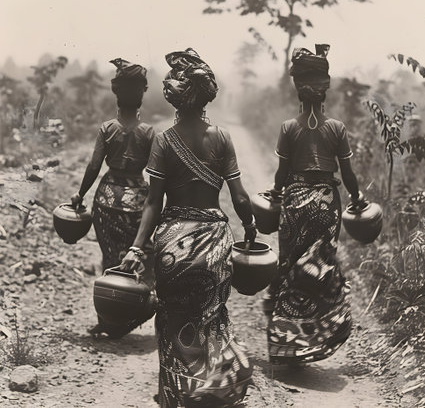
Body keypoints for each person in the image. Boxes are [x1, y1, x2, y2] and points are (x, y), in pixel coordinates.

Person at [121, 48, 255, 407]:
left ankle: (175, 394)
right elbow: (240, 197)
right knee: (211, 316)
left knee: (172, 317)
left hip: (172, 244)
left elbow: (153, 203)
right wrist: (251, 228)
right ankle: (213, 387)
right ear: (206, 94)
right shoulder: (223, 138)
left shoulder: (164, 141)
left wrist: (137, 248)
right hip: (214, 241)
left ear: (176, 97)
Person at [265, 44, 364, 365]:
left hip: (294, 202)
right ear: (325, 91)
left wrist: (276, 193)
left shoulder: (288, 128)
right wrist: (359, 199)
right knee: (319, 266)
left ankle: (287, 343)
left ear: (299, 91)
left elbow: (281, 173)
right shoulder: (336, 128)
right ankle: (318, 335)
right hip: (326, 205)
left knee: (290, 265)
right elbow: (347, 173)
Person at [70, 58, 156, 339]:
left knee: (108, 258)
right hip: (137, 201)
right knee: (139, 257)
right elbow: (156, 177)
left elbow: (94, 167)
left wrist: (80, 194)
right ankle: (137, 308)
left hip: (106, 199)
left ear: (115, 93)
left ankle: (108, 320)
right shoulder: (149, 133)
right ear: (142, 93)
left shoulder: (107, 128)